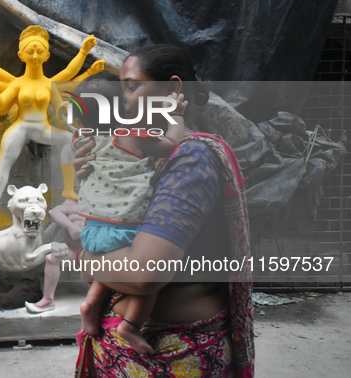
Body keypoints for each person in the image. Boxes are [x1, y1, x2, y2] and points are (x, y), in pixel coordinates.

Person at [74, 44, 254, 377]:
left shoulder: (191, 159)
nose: (123, 99)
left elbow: (144, 273)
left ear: (171, 89)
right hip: (138, 352)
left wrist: (86, 258)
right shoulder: (140, 156)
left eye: (130, 87)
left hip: (171, 354)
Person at [69, 77, 186, 354]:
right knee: (148, 278)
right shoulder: (130, 134)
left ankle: (91, 303)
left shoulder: (81, 139)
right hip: (124, 226)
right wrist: (176, 115)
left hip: (92, 227)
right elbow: (170, 143)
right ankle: (131, 325)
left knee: (108, 270)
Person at [0, 25, 101, 232]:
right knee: (3, 168)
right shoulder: (19, 83)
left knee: (68, 138)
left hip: (42, 129)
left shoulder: (49, 85)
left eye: (39, 51)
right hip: (21, 127)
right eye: (30, 51)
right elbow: (2, 104)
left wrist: (83, 52)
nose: (35, 55)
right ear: (21, 55)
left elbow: (60, 105)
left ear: (47, 55)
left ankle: (68, 190)